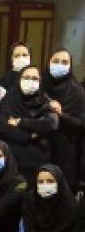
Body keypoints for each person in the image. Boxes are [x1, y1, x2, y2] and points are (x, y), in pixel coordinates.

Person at [0, 65, 57, 183]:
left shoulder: (45, 101)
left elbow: (50, 124)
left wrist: (20, 122)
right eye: (26, 77)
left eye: (35, 78)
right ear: (19, 79)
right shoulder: (9, 99)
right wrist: (28, 135)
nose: (30, 81)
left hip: (38, 165)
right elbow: (0, 124)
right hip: (11, 163)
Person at [43, 48, 85, 192]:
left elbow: (81, 124)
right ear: (48, 63)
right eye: (56, 61)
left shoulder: (77, 92)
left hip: (65, 153)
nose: (60, 65)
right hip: (39, 149)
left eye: (64, 62)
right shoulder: (40, 86)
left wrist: (61, 114)